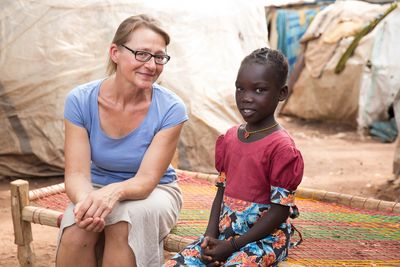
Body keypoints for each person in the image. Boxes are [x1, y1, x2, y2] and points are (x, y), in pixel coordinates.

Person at [56, 14, 188, 267]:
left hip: (155, 191)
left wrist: (110, 195)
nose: (151, 65)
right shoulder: (80, 101)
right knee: (77, 229)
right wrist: (88, 203)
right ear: (115, 53)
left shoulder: (171, 108)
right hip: (94, 187)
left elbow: (146, 181)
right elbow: (76, 175)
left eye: (159, 57)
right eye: (142, 54)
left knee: (122, 223)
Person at [164, 48, 303, 267]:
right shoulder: (230, 138)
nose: (246, 98)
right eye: (240, 88)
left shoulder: (282, 148)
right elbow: (221, 192)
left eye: (259, 90)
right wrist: (210, 238)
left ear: (282, 93)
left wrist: (232, 246)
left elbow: (279, 210)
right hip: (224, 234)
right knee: (176, 264)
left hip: (263, 240)